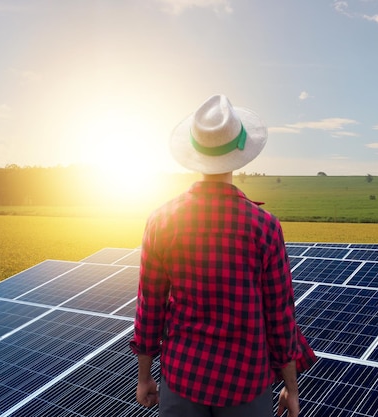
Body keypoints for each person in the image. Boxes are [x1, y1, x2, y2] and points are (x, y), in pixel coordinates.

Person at [129, 94, 316, 417]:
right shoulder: (264, 227)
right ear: (240, 154)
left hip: (182, 379)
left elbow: (150, 309)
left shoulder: (160, 221)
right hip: (246, 385)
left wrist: (144, 377)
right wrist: (291, 387)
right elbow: (280, 317)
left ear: (194, 152)